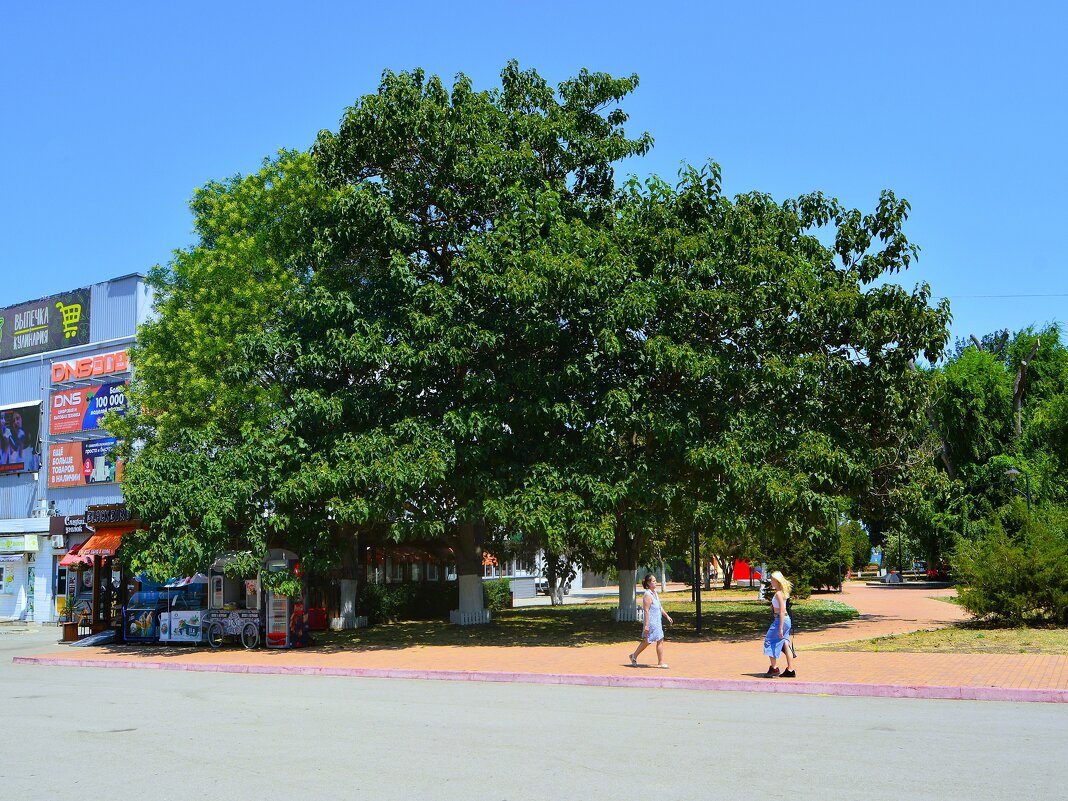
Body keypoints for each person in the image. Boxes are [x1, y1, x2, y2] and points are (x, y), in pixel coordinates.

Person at [628, 574, 673, 668]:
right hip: (651, 622)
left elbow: (659, 607)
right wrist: (646, 625)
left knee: (660, 639)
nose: (655, 582)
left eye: (655, 581)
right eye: (653, 581)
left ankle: (661, 662)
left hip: (658, 621)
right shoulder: (647, 595)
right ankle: (634, 655)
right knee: (647, 641)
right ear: (648, 583)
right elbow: (646, 611)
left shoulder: (655, 593)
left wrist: (667, 616)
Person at [763, 570, 796, 678]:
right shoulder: (782, 592)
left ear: (777, 581)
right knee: (785, 643)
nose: (771, 581)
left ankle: (774, 668)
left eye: (772, 580)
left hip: (780, 620)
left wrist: (780, 628)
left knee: (769, 641)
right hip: (786, 620)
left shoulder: (778, 593)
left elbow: (782, 610)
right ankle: (790, 670)